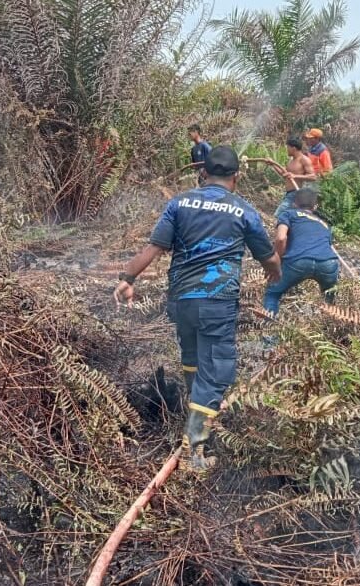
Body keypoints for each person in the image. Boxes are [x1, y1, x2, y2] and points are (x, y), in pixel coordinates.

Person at [114, 146, 281, 471]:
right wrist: (275, 271)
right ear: (237, 177)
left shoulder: (179, 203)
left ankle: (195, 408)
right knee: (216, 372)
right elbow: (268, 256)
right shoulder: (244, 210)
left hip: (180, 301)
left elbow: (155, 247)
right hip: (216, 303)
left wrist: (127, 278)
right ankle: (196, 450)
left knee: (191, 357)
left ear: (203, 173)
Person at [263, 188, 340, 316]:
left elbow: (281, 238)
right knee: (329, 301)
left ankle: (269, 333)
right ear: (315, 206)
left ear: (294, 204)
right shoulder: (324, 224)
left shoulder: (289, 214)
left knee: (273, 294)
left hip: (299, 261)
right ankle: (329, 331)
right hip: (329, 262)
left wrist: (276, 261)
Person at [274, 137, 318, 218]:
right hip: (289, 194)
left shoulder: (304, 160)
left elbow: (313, 177)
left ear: (293, 148)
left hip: (296, 193)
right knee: (288, 217)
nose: (287, 150)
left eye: (288, 148)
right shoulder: (291, 160)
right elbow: (284, 174)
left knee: (279, 215)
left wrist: (295, 176)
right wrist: (272, 164)